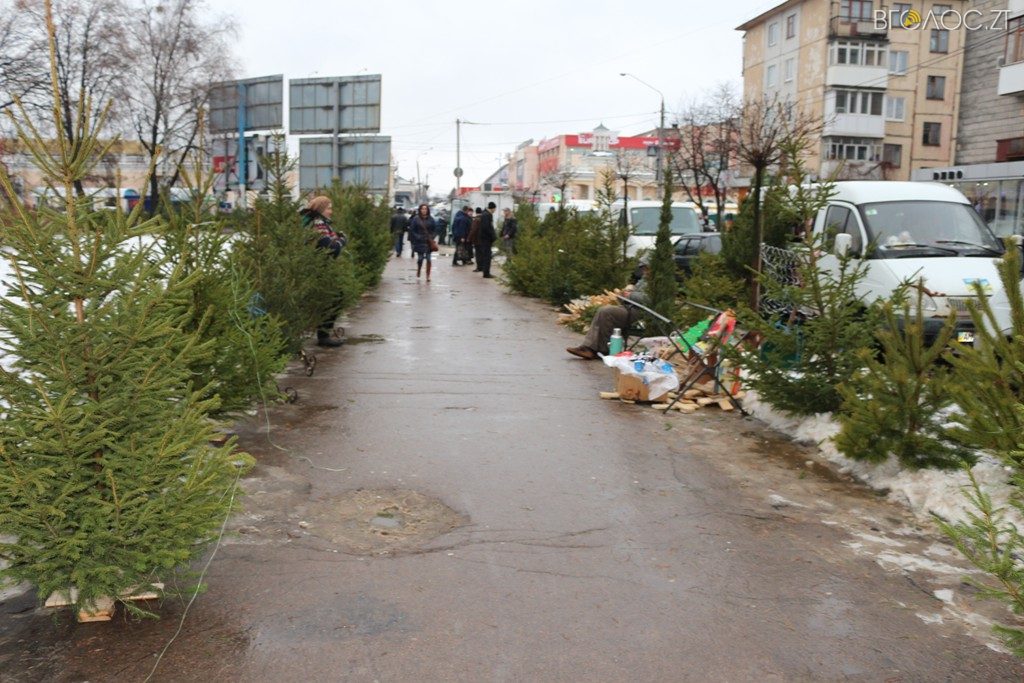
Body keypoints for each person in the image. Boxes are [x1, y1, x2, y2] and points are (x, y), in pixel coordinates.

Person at [566, 258, 650, 360]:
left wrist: (630, 295)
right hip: (631, 307)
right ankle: (589, 348)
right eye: (643, 269)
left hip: (643, 312)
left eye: (646, 268)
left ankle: (599, 349)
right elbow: (634, 296)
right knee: (604, 311)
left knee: (607, 312)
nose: (644, 271)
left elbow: (649, 299)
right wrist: (623, 295)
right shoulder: (644, 280)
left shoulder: (656, 281)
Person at [300, 195, 347, 347]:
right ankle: (323, 336)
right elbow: (331, 249)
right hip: (319, 269)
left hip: (321, 268)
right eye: (329, 208)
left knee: (334, 299)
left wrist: (336, 239)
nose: (331, 211)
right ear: (321, 209)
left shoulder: (320, 223)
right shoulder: (318, 224)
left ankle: (323, 334)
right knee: (334, 298)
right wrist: (342, 241)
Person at [407, 203, 437, 281]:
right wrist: (417, 237)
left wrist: (432, 237)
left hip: (428, 242)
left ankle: (428, 275)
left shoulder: (431, 219)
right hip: (419, 242)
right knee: (420, 259)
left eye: (425, 209)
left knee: (428, 259)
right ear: (420, 210)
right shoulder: (416, 219)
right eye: (422, 209)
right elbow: (412, 230)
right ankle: (419, 268)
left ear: (428, 210)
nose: (424, 210)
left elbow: (435, 229)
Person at [477, 201, 497, 278]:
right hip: (486, 239)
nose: (495, 210)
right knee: (487, 256)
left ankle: (486, 272)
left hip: (485, 239)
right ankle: (486, 273)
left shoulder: (486, 214)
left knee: (486, 256)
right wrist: (492, 236)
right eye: (495, 209)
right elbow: (486, 228)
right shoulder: (486, 215)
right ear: (492, 208)